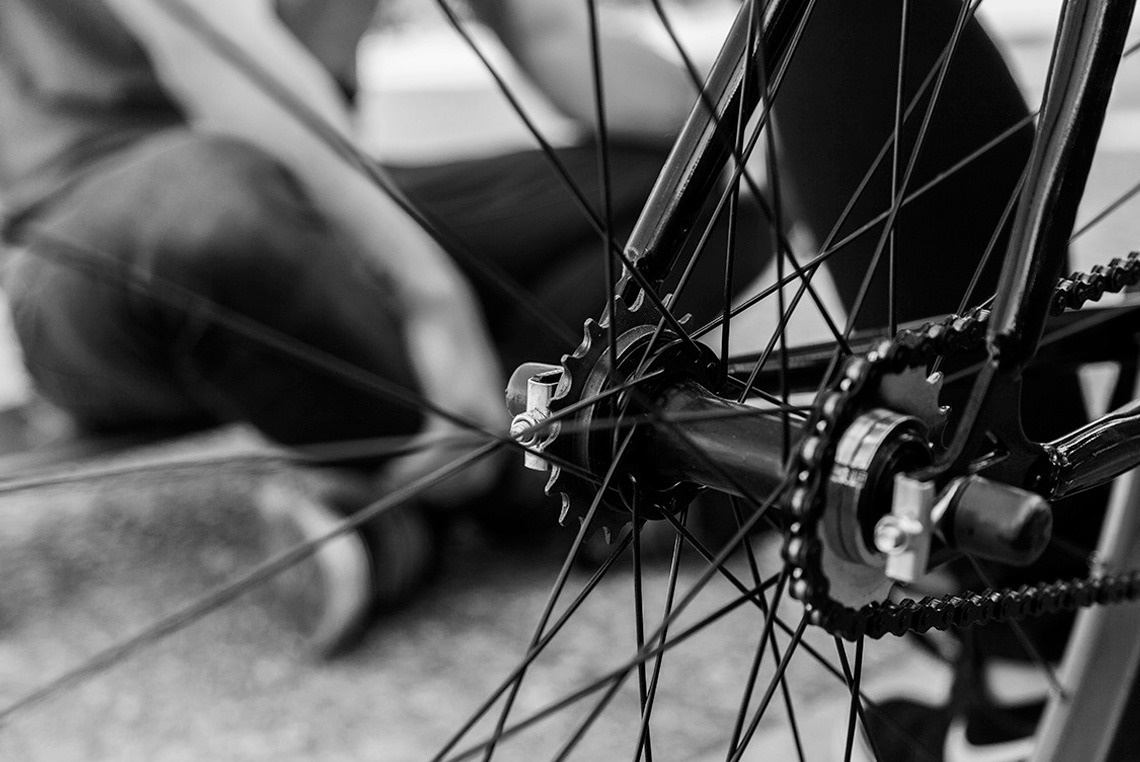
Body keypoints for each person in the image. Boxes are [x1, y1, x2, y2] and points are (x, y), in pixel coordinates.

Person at [0, 1, 1103, 756]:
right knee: (217, 213)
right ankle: (459, 472)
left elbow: (541, 31)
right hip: (100, 230)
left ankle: (421, 488)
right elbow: (223, 65)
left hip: (337, 201)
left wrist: (754, 135)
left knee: (679, 197)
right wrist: (432, 305)